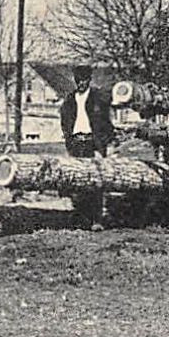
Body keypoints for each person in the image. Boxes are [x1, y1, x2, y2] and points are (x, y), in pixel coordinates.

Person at [59, 64, 113, 228]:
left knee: (95, 181)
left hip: (92, 143)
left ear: (89, 80)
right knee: (77, 180)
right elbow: (64, 121)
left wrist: (102, 146)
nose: (81, 84)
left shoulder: (98, 99)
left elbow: (106, 125)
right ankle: (80, 217)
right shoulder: (69, 100)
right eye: (78, 81)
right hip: (77, 142)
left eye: (84, 80)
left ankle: (96, 219)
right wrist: (69, 139)